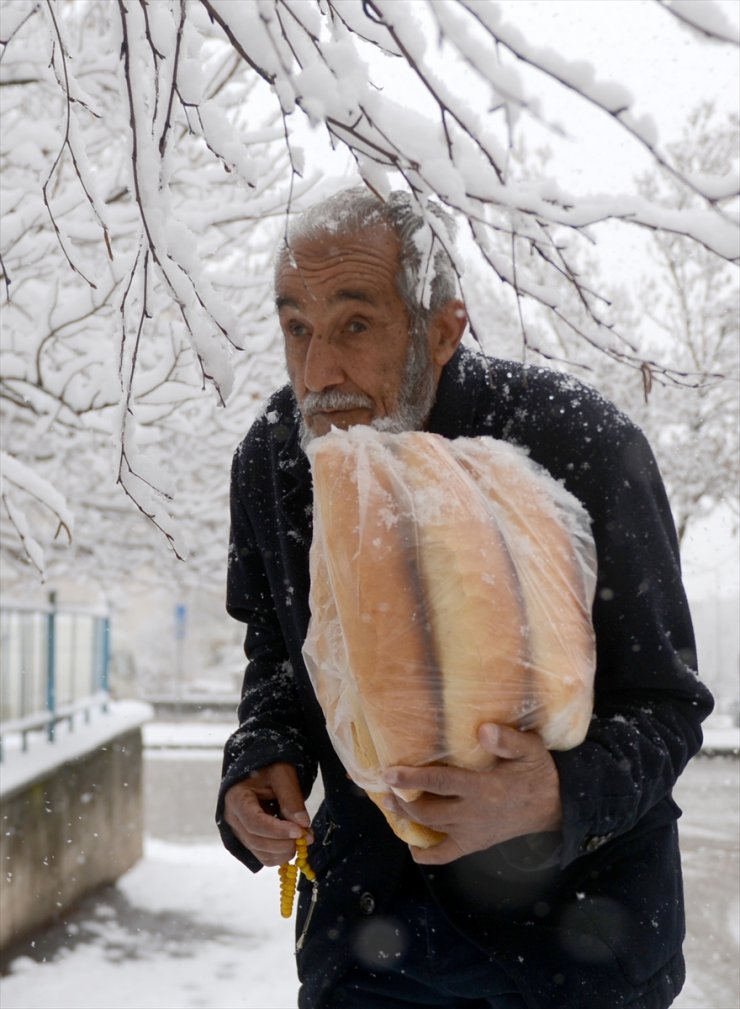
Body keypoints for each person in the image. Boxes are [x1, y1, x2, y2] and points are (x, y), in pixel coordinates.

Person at [216, 187, 713, 1009]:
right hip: (370, 952)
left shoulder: (577, 443)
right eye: (296, 329)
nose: (318, 372)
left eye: (355, 325)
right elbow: (278, 649)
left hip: (579, 957)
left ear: (443, 328)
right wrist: (260, 757)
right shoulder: (276, 458)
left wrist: (559, 794)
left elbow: (666, 703)